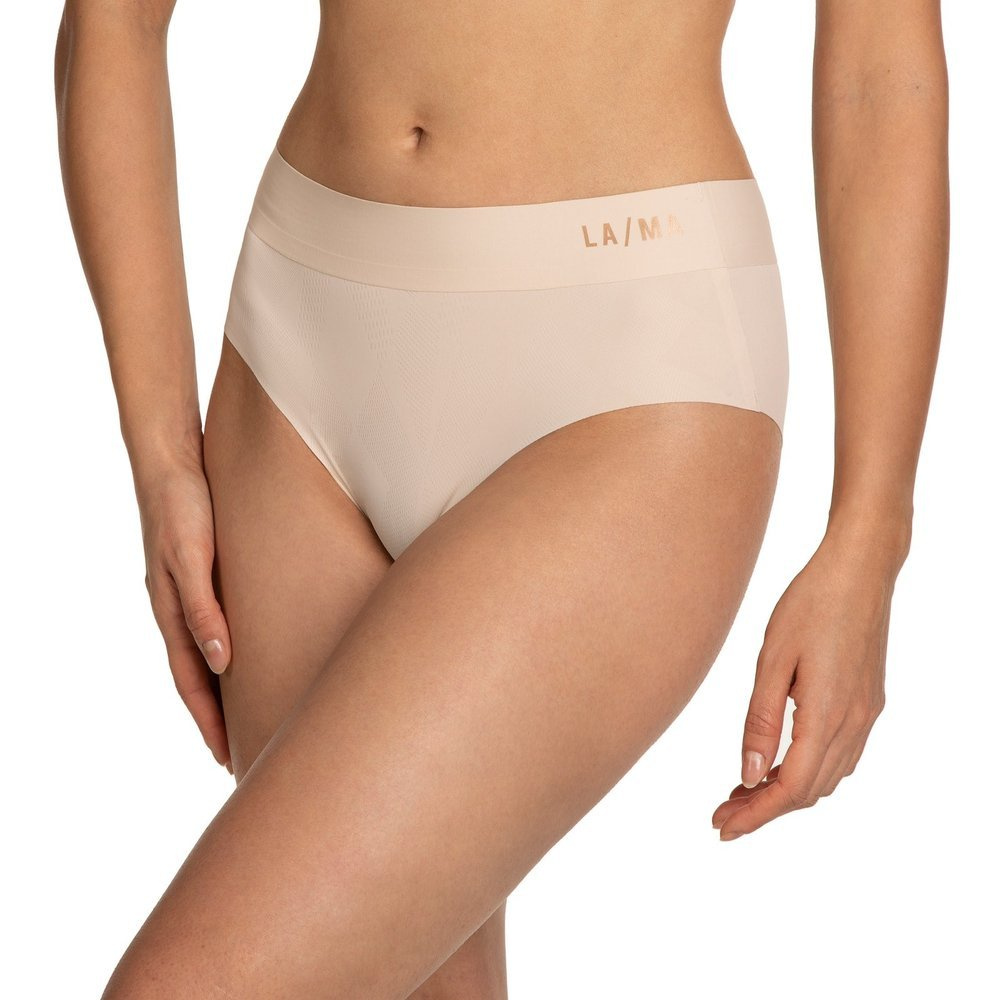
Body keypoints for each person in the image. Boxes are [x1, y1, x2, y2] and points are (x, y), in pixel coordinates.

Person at [55, 1, 948, 997]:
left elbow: (880, 67)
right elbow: (113, 19)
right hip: (293, 350)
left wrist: (871, 532)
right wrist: (160, 453)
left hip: (622, 362)